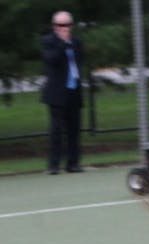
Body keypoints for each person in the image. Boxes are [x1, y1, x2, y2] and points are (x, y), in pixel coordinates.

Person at [40, 10, 84, 174]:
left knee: (74, 130)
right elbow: (51, 60)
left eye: (66, 25)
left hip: (74, 90)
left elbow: (80, 59)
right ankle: (53, 165)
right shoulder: (48, 41)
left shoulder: (77, 42)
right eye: (60, 25)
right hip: (57, 93)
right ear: (54, 26)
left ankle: (73, 163)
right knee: (56, 131)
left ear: (71, 26)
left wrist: (69, 43)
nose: (63, 28)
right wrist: (62, 43)